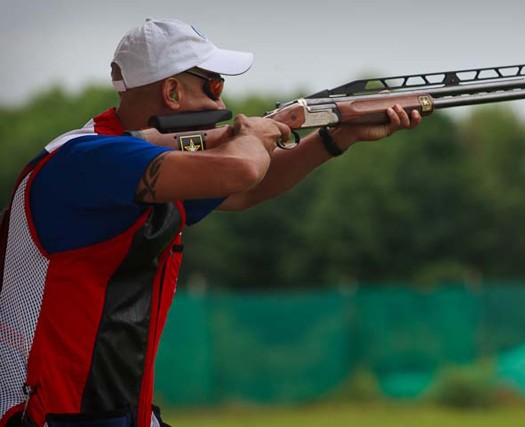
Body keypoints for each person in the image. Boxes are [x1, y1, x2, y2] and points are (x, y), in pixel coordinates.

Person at [0, 18, 421, 427]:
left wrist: (336, 136)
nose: (222, 105)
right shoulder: (88, 159)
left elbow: (245, 192)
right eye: (214, 86)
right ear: (171, 92)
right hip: (44, 414)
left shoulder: (137, 166)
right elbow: (241, 173)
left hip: (110, 410)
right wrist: (251, 135)